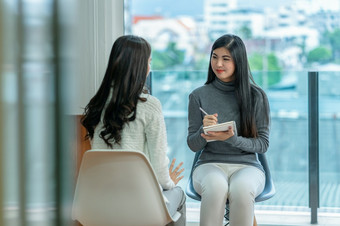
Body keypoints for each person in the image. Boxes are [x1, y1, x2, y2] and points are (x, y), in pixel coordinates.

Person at [81, 35, 186, 226]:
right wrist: (170, 182)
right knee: (179, 195)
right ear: (139, 67)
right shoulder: (150, 105)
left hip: (98, 203)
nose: (149, 68)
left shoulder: (97, 104)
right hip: (141, 205)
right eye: (149, 62)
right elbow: (159, 166)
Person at [187, 34, 270, 226]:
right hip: (209, 164)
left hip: (247, 166)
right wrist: (203, 130)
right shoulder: (198, 95)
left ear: (238, 61)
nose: (218, 63)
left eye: (226, 58)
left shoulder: (257, 96)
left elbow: (263, 144)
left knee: (241, 190)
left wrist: (231, 139)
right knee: (216, 187)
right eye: (214, 57)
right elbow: (192, 144)